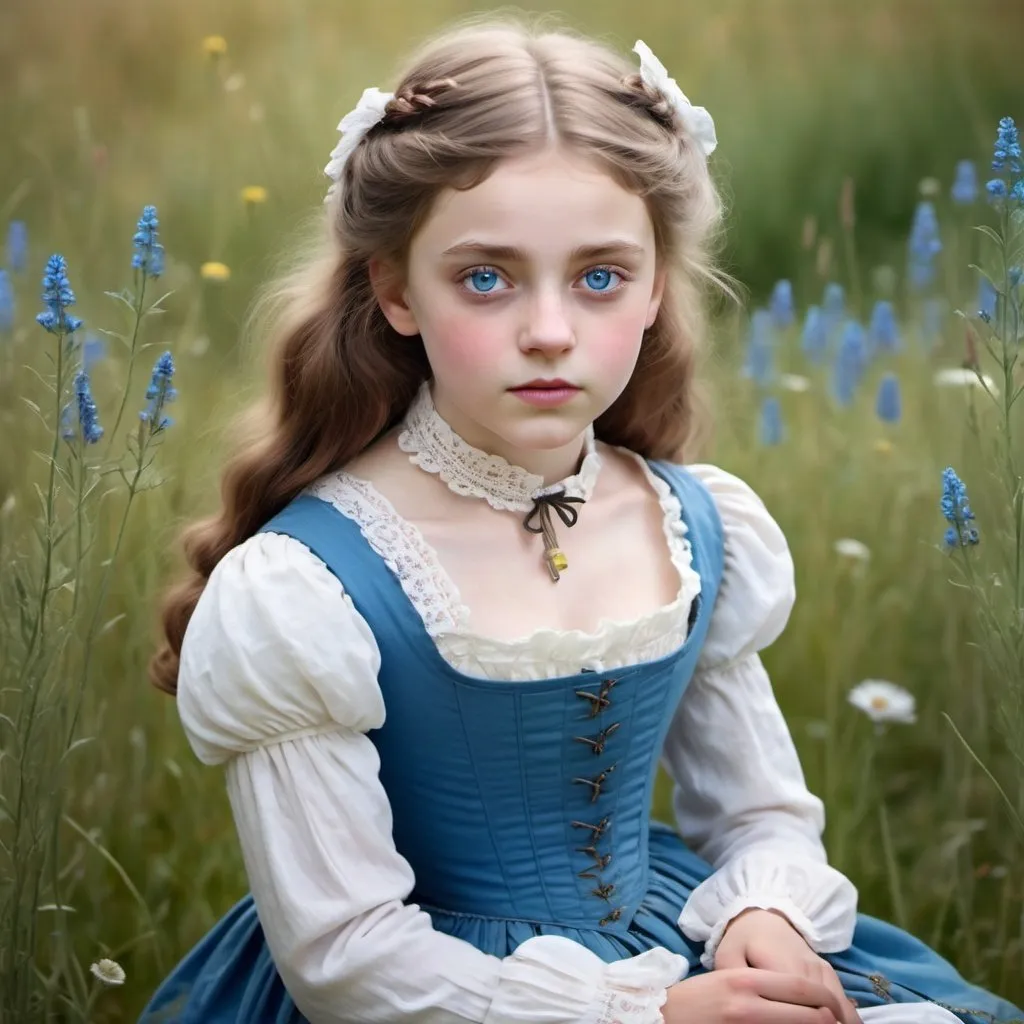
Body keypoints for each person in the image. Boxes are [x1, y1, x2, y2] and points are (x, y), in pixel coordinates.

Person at [140, 14, 1022, 1024]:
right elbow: (348, 957)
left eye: (599, 276)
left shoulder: (693, 526)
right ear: (394, 289)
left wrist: (765, 916)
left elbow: (759, 814)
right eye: (486, 277)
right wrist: (643, 1015)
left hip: (671, 949)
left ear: (653, 290)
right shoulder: (307, 586)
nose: (550, 332)